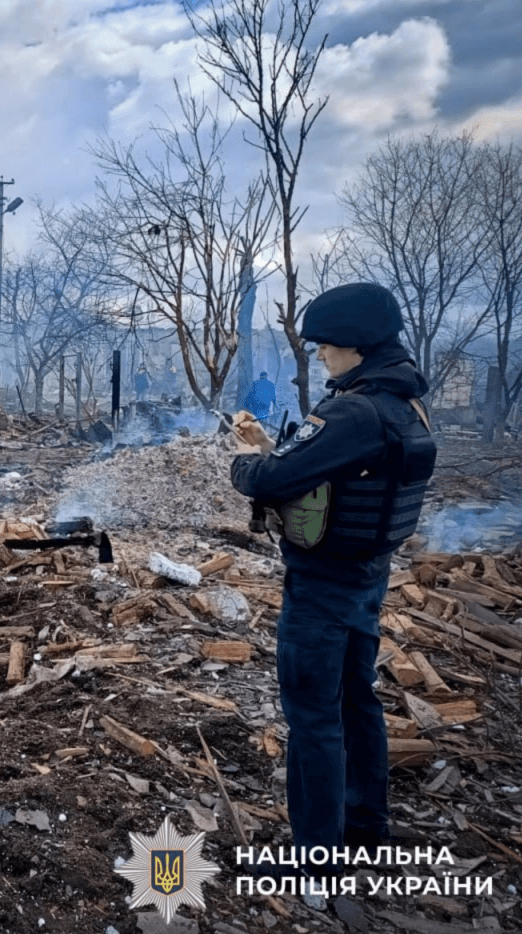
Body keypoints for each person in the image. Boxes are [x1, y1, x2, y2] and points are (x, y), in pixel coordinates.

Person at [228, 283, 437, 898]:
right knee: (354, 701)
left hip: (323, 584)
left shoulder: (355, 412)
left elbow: (269, 479)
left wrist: (244, 458)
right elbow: (329, 472)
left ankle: (315, 863)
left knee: (313, 717)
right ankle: (365, 829)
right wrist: (277, 451)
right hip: (367, 573)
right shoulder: (404, 404)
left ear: (357, 345)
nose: (319, 354)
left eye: (325, 345)